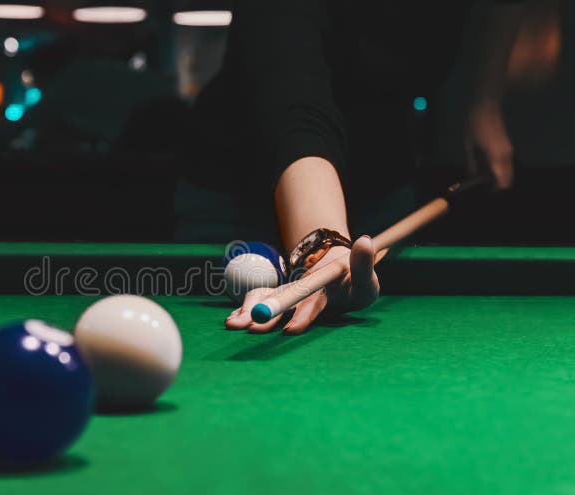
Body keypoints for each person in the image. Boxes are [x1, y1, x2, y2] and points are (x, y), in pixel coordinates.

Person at [185, 0, 526, 334]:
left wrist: (486, 101)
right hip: (243, 179)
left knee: (352, 280)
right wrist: (321, 246)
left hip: (380, 174)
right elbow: (297, 109)